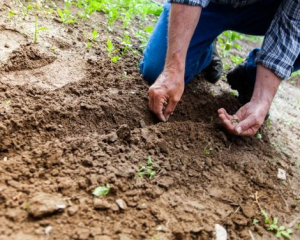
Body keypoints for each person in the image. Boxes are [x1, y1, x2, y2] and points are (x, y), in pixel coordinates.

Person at [139, 0, 300, 136]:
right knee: (157, 70)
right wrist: (173, 69)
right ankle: (205, 51)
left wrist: (261, 100)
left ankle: (252, 75)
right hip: (211, 5)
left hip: (265, 9)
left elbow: (293, 25)